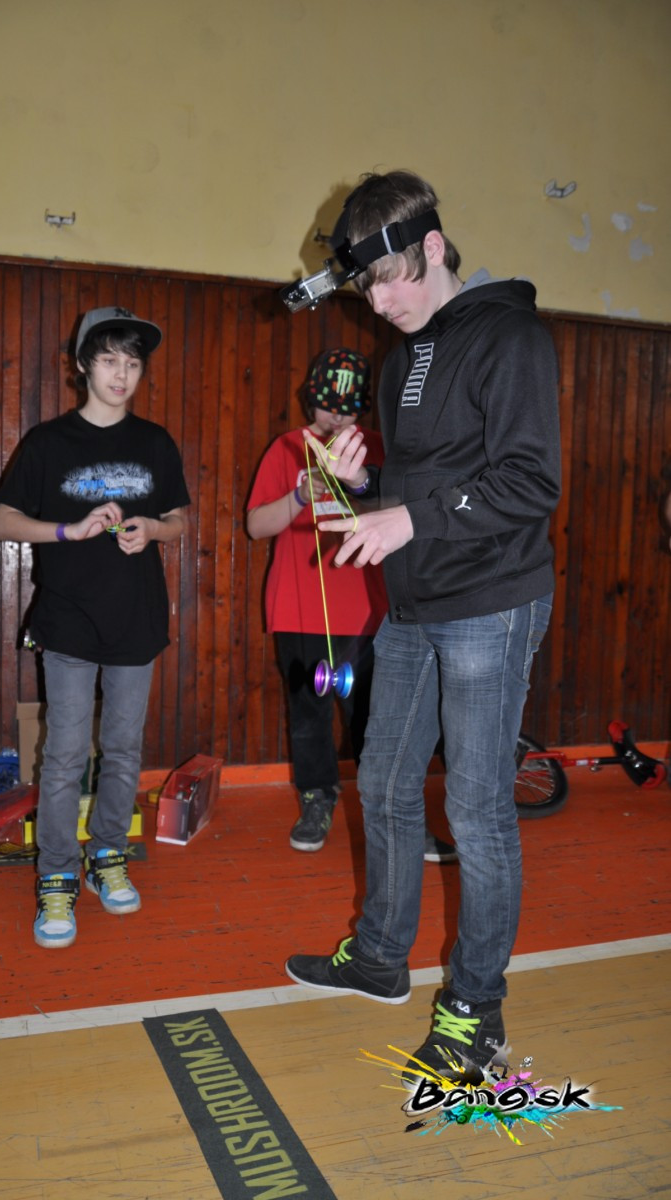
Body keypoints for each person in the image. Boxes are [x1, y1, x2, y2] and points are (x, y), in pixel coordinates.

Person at [285, 170, 561, 1081]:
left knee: (475, 810)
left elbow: (529, 482)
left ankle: (475, 1010)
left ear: (432, 247)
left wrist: (407, 515)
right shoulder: (402, 357)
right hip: (412, 606)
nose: (379, 303)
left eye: (389, 280)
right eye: (365, 289)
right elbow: (422, 480)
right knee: (385, 784)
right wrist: (364, 481)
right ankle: (378, 956)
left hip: (492, 600)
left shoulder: (511, 336)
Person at [0, 305, 190, 949]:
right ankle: (56, 873)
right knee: (66, 753)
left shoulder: (155, 442)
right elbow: (1, 521)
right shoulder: (49, 441)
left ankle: (107, 854)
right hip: (67, 619)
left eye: (132, 363)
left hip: (137, 618)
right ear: (82, 365)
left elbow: (180, 520)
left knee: (125, 749)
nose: (121, 374)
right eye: (108, 360)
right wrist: (67, 530)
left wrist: (152, 528)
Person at [247, 348, 457, 862]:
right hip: (299, 610)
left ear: (362, 407)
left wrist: (359, 482)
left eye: (347, 408)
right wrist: (300, 495)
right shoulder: (287, 447)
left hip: (371, 613)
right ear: (310, 399)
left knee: (380, 725)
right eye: (326, 405)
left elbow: (406, 517)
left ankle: (398, 820)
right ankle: (317, 801)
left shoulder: (380, 449)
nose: (336, 417)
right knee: (309, 717)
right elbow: (256, 526)